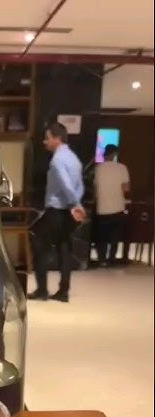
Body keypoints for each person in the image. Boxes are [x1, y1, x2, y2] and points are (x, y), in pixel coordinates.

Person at [28, 123, 85, 303]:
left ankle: (42, 290)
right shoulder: (74, 159)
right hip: (68, 212)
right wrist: (76, 204)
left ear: (57, 138)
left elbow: (65, 185)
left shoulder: (57, 160)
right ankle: (63, 291)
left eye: (47, 138)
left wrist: (74, 204)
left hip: (56, 210)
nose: (45, 142)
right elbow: (79, 186)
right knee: (64, 248)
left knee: (38, 243)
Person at [93, 144, 130, 266]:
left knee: (102, 236)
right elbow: (126, 188)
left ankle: (101, 260)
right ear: (115, 154)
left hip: (102, 208)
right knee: (115, 236)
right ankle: (112, 259)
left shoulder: (98, 168)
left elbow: (95, 189)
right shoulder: (122, 168)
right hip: (117, 207)